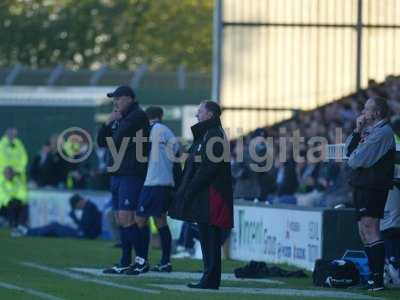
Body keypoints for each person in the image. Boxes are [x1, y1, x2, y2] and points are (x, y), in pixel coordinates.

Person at [170, 100, 234, 290]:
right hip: (206, 194)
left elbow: (208, 168)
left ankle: (211, 279)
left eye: (200, 111)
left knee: (210, 237)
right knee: (207, 237)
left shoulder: (213, 135)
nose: (197, 115)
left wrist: (190, 188)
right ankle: (209, 277)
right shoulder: (207, 135)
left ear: (210, 114)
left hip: (212, 194)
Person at [97, 86, 150, 274]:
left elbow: (117, 139)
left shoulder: (137, 116)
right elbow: (102, 142)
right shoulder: (122, 118)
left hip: (131, 173)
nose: (115, 102)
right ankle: (125, 260)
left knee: (128, 217)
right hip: (118, 173)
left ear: (129, 98)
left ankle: (142, 260)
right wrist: (106, 124)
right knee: (121, 218)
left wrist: (114, 122)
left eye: (118, 98)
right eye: (114, 99)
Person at [345, 97, 395, 291]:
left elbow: (355, 160)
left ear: (377, 113)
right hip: (361, 185)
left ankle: (377, 279)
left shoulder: (383, 133)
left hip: (373, 186)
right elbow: (348, 151)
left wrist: (355, 153)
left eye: (366, 110)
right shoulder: (369, 131)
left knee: (370, 228)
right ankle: (373, 278)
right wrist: (357, 131)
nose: (363, 113)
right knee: (363, 232)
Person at [129, 106, 179, 274]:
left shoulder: (152, 130)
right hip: (165, 182)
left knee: (139, 219)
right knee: (160, 222)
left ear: (147, 118)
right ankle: (165, 262)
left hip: (153, 182)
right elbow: (177, 154)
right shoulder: (168, 132)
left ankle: (141, 260)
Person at [12, 194, 102, 239]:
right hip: (86, 234)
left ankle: (27, 231)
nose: (77, 208)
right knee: (53, 228)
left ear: (80, 202)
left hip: (84, 235)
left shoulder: (89, 207)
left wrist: (73, 216)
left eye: (76, 206)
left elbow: (83, 226)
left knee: (54, 226)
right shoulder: (90, 206)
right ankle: (27, 231)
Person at [380, 117, 400, 285]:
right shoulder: (393, 140)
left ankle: (392, 264)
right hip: (393, 186)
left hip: (393, 187)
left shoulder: (391, 140)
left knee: (389, 226)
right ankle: (391, 263)